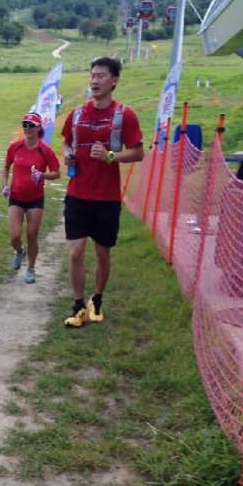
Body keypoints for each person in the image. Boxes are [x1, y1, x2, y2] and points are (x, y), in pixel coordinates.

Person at [60, 57, 144, 327]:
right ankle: (77, 305)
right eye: (92, 75)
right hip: (77, 194)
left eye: (101, 76)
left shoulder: (124, 116)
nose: (95, 81)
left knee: (102, 253)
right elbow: (65, 143)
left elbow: (139, 152)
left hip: (106, 198)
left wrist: (110, 156)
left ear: (114, 80)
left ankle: (96, 298)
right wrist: (67, 156)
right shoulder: (78, 113)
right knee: (75, 252)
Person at [2, 111, 60, 283]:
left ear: (39, 128)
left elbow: (56, 173)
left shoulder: (45, 150)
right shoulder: (15, 147)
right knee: (14, 236)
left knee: (32, 234)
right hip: (16, 198)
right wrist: (5, 185)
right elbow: (6, 167)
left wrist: (42, 175)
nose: (27, 128)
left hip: (35, 199)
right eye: (25, 125)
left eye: (31, 125)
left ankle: (31, 268)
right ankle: (20, 251)